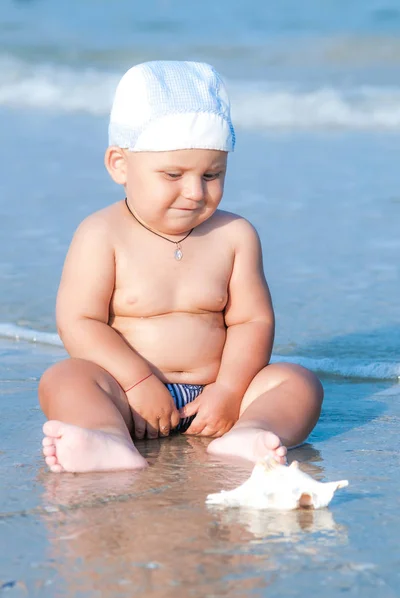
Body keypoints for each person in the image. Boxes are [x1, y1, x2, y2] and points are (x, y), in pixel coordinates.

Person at [39, 61, 323, 473]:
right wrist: (137, 383)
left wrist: (229, 390)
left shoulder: (234, 235)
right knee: (65, 378)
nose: (194, 192)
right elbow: (79, 320)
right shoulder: (102, 233)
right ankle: (105, 436)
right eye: (172, 174)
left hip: (217, 395)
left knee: (297, 382)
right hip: (126, 395)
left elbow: (252, 322)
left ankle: (252, 433)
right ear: (120, 165)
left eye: (212, 174)